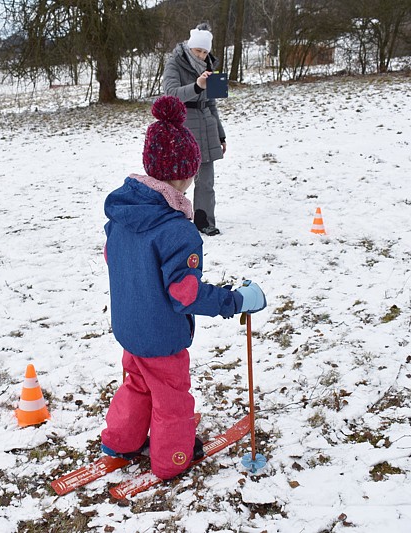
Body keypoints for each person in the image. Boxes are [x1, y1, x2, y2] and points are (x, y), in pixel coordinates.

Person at [99, 95, 266, 481]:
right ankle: (172, 457)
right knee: (172, 398)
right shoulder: (177, 232)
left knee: (137, 384)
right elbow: (184, 295)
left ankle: (120, 440)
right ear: (184, 175)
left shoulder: (124, 215)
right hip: (161, 336)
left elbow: (113, 258)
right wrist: (235, 301)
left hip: (129, 328)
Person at [163, 22, 226, 236]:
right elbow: (170, 94)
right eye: (198, 50)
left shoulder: (211, 67)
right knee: (177, 178)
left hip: (207, 125)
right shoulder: (175, 63)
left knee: (206, 180)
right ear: (190, 47)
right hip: (183, 125)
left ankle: (204, 220)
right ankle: (167, 217)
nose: (201, 55)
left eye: (205, 51)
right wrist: (197, 86)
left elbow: (213, 103)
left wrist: (220, 134)